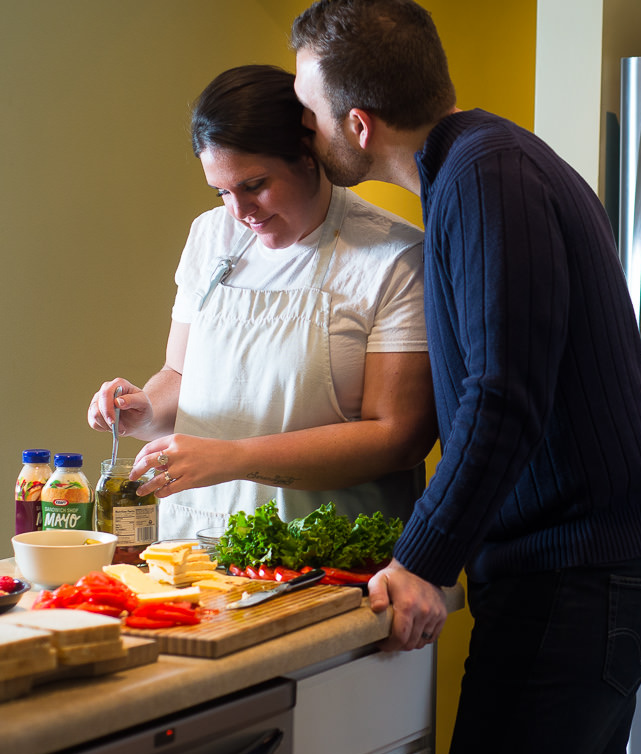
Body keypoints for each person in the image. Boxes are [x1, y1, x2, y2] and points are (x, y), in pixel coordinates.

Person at [290, 0, 641, 754]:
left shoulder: (484, 178)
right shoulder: (478, 164)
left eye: (308, 110)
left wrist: (424, 556)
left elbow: (504, 397)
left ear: (358, 123)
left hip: (581, 573)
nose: (306, 129)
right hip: (600, 562)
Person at [85, 64, 438, 539]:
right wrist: (146, 410)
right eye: (222, 191)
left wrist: (235, 457)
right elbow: (180, 376)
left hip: (325, 549)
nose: (240, 211)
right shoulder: (211, 236)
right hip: (194, 539)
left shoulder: (394, 257)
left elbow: (396, 437)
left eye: (254, 185)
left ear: (308, 154)